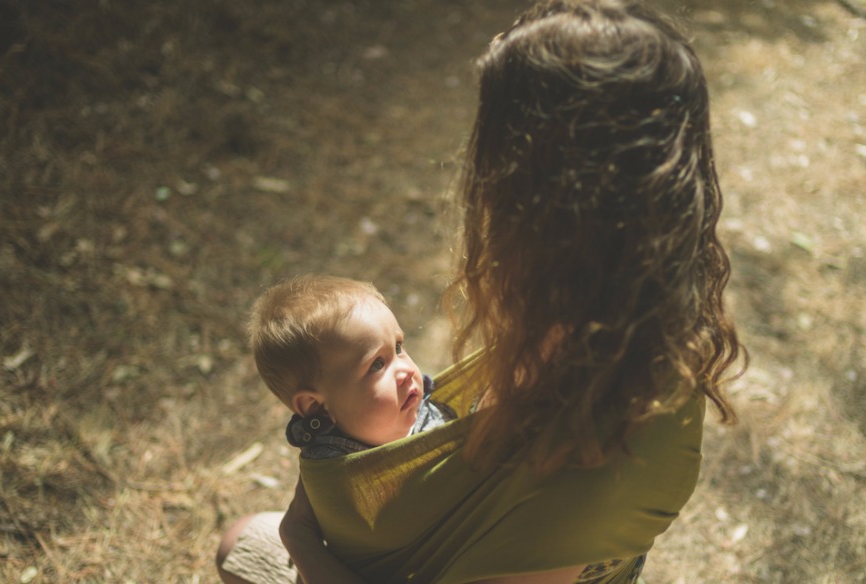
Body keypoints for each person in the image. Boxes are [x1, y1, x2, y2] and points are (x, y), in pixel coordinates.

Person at [218, 0, 743, 582]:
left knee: (244, 545)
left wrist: (303, 544)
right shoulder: (620, 331)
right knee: (242, 539)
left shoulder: (592, 462)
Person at [218, 274, 457, 583]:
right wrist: (298, 537)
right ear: (315, 408)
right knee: (236, 541)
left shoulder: (426, 408)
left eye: (398, 347)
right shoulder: (335, 475)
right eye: (376, 365)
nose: (406, 370)